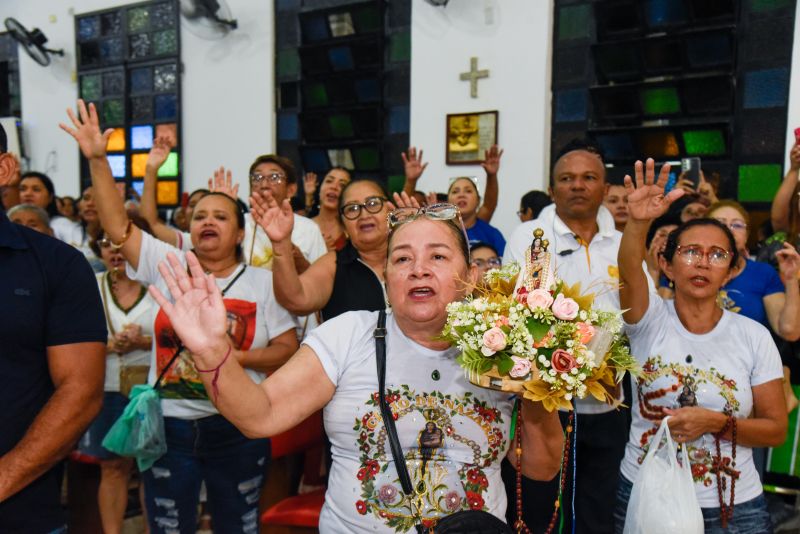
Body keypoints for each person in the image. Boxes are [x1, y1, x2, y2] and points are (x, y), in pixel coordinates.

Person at [147, 203, 565, 533]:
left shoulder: (505, 346)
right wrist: (210, 351)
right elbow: (260, 415)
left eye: (437, 256)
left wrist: (535, 388)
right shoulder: (348, 336)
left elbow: (542, 469)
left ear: (470, 274)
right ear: (386, 277)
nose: (417, 268)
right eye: (402, 259)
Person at [61, 100, 300, 534]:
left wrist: (228, 359)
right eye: (201, 215)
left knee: (237, 525)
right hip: (170, 429)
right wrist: (98, 158)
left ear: (241, 232)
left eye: (221, 216)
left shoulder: (263, 284)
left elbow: (288, 349)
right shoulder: (169, 263)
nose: (208, 221)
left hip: (239, 425)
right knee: (170, 526)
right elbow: (119, 228)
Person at [615, 158, 787, 533]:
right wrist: (638, 221)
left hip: (734, 505)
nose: (703, 263)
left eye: (717, 255)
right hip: (650, 495)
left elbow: (775, 430)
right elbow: (629, 272)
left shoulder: (752, 335)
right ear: (667, 264)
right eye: (690, 251)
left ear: (732, 269)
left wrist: (716, 423)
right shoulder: (648, 321)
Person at [504, 138, 627, 534]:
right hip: (547, 402)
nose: (578, 185)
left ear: (605, 189)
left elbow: (639, 316)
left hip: (609, 401)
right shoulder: (530, 237)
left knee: (597, 506)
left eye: (589, 177)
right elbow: (521, 310)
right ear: (553, 188)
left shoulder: (623, 244)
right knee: (543, 507)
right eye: (567, 178)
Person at [0, 122, 107, 533]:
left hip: (20, 512)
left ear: (6, 168)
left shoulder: (57, 265)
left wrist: (5, 478)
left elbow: (81, 392)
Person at [78, 229, 155, 534]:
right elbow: (74, 333)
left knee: (152, 468)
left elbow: (176, 337)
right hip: (108, 385)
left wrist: (144, 341)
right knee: (112, 468)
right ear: (99, 249)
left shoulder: (157, 284)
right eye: (107, 243)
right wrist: (110, 345)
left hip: (149, 390)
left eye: (123, 243)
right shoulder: (90, 286)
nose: (115, 250)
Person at [258, 178, 393, 322]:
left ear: (390, 210)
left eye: (373, 204)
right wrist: (281, 245)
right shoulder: (334, 265)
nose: (364, 215)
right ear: (343, 224)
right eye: (352, 209)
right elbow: (297, 299)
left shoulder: (414, 257)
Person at [402, 145, 506, 252]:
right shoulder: (437, 230)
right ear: (448, 202)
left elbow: (489, 205)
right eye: (455, 191)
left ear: (478, 201)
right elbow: (403, 214)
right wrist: (411, 180)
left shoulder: (490, 233)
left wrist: (492, 175)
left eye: (468, 191)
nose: (461, 195)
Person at [303, 168, 352, 251]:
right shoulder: (302, 227)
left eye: (342, 185)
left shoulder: (352, 231)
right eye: (329, 181)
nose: (334, 187)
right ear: (319, 189)